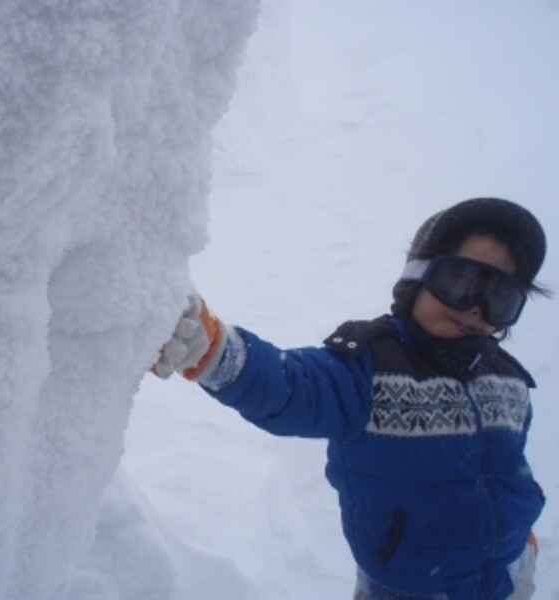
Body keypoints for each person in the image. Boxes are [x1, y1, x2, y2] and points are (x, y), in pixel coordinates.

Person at [152, 198, 548, 599]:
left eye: (499, 299)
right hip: (409, 589)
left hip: (508, 577)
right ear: (419, 277)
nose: (475, 310)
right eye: (461, 283)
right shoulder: (369, 369)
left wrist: (519, 526)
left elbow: (506, 463)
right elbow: (287, 386)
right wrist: (212, 349)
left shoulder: (508, 379)